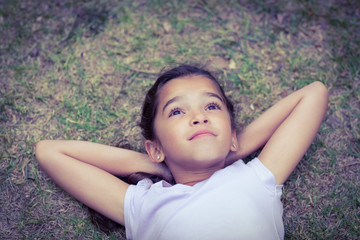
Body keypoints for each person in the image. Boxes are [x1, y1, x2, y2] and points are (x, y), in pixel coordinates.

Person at [35, 65, 328, 239]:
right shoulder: (144, 205)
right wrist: (159, 165)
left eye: (211, 106)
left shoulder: (256, 177)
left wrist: (230, 152)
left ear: (233, 135)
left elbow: (314, 93)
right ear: (156, 147)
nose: (199, 117)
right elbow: (50, 152)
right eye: (177, 111)